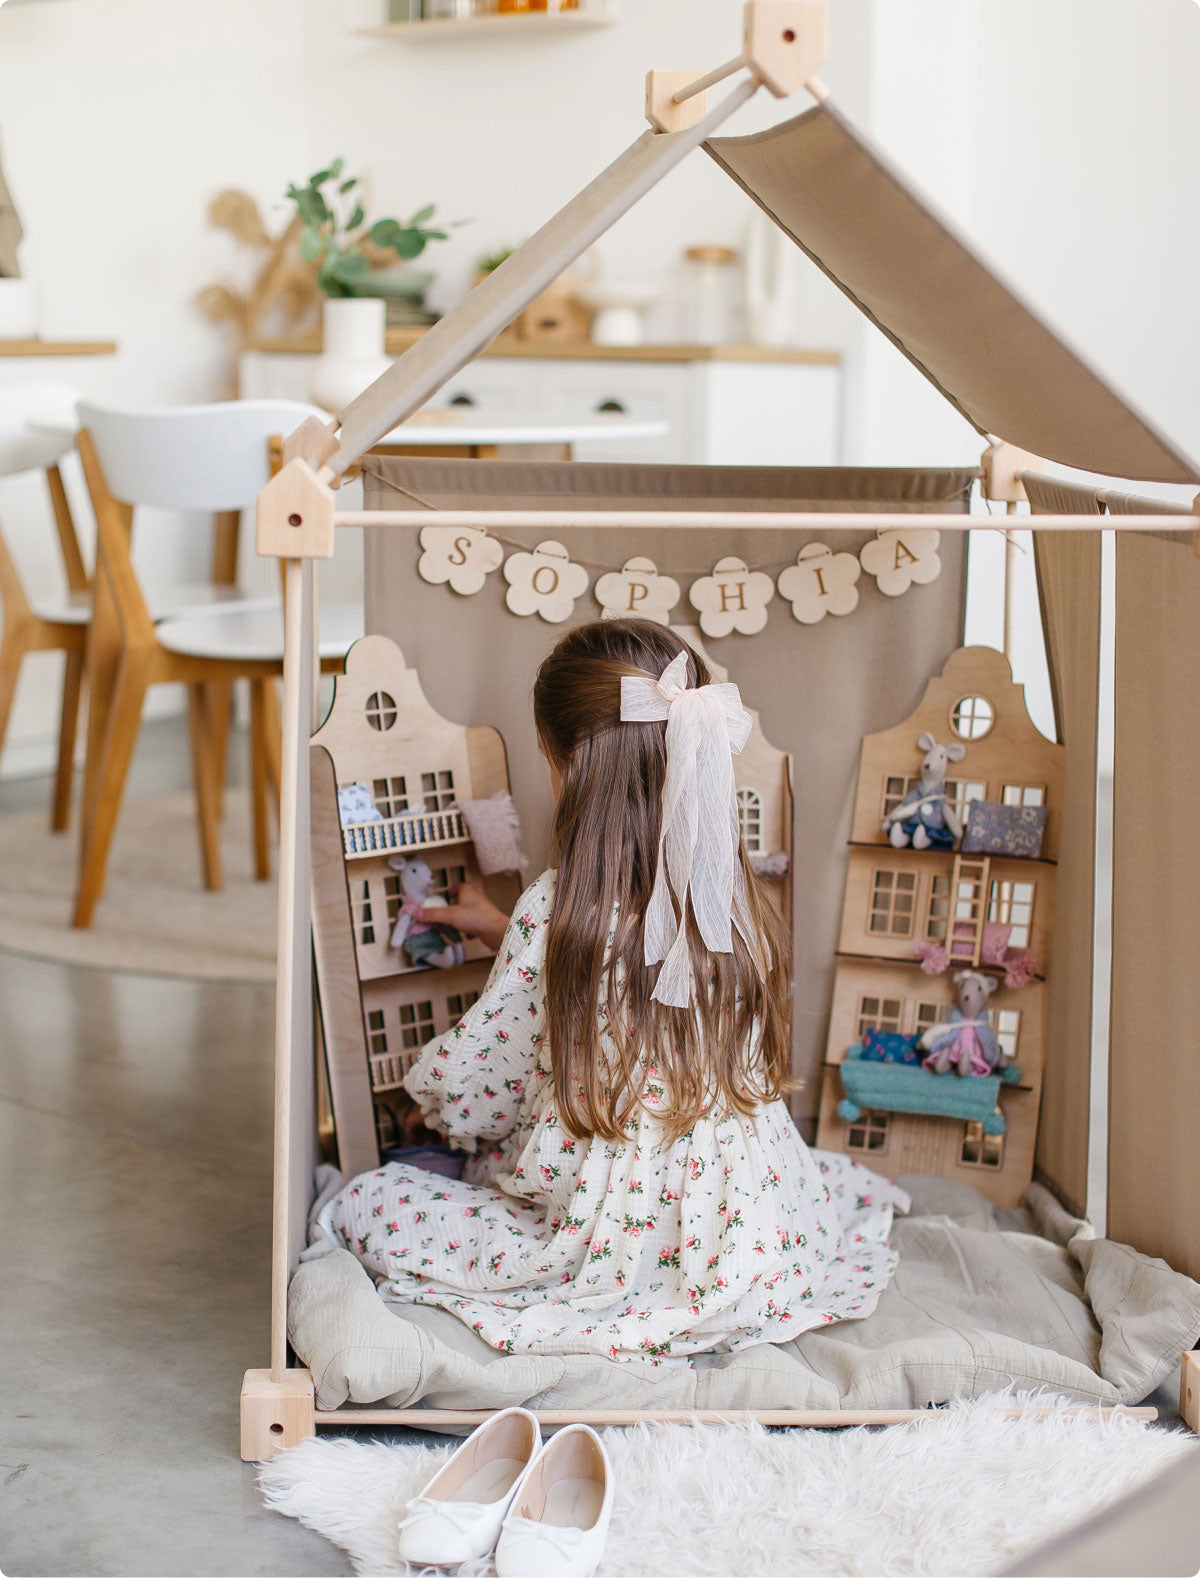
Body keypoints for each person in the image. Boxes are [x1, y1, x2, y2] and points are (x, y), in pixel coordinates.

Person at [323, 619, 907, 1363]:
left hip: (622, 1227)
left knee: (370, 1206)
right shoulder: (738, 904)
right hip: (748, 1225)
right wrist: (512, 934)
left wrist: (429, 1098)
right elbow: (638, 978)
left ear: (568, 767)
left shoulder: (558, 912)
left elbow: (486, 1081)